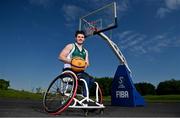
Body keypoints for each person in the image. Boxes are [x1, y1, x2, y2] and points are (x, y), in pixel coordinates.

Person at [58, 30, 94, 97]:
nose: (80, 38)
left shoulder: (85, 51)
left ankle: (84, 96)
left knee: (91, 79)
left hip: (79, 72)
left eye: (82, 37)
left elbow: (87, 63)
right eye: (79, 37)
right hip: (69, 71)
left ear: (84, 39)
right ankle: (86, 98)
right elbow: (60, 57)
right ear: (76, 38)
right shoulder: (70, 46)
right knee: (85, 78)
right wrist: (72, 62)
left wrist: (83, 66)